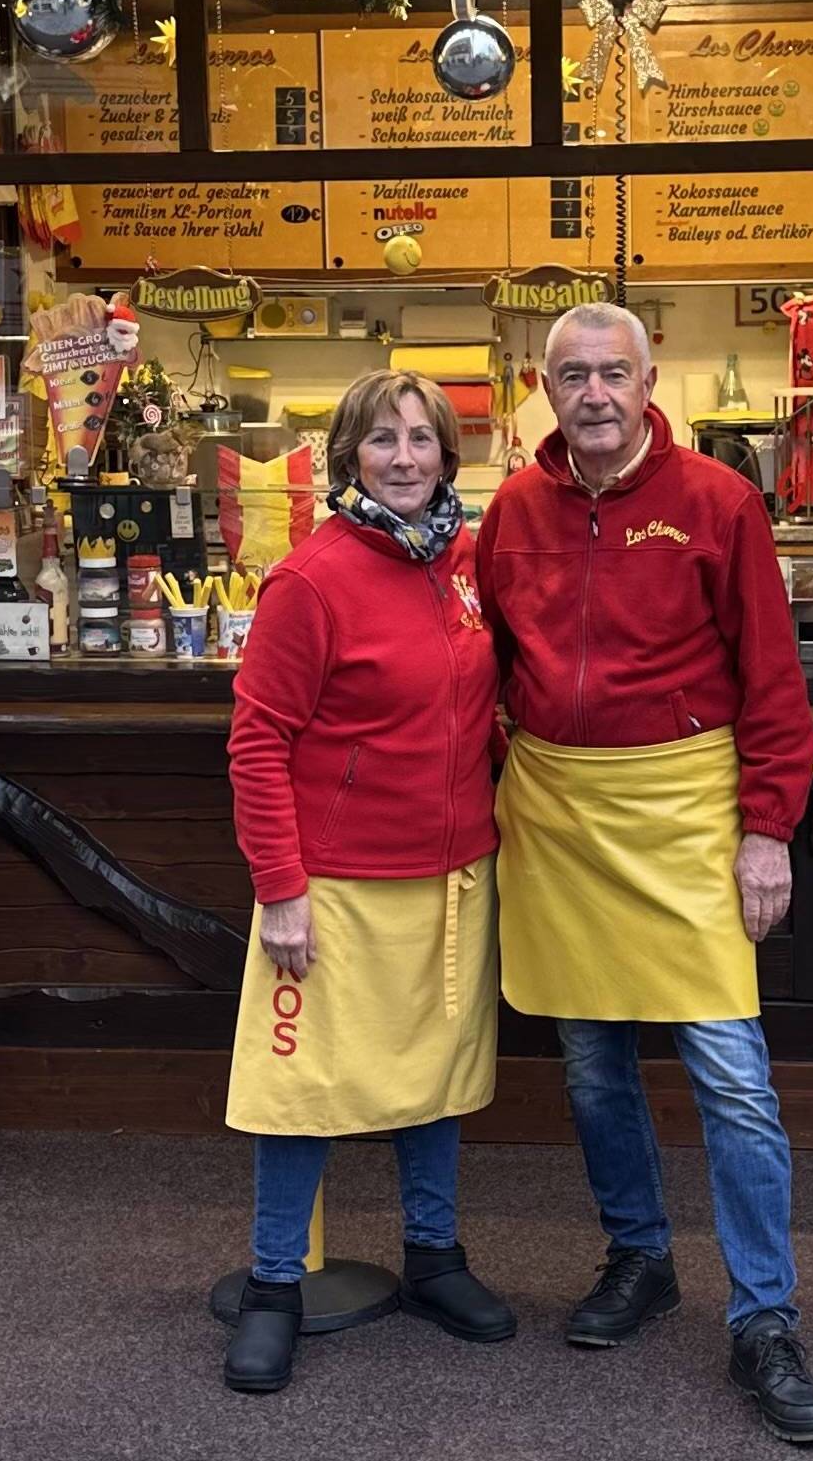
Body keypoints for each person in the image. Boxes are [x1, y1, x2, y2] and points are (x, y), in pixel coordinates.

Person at [474, 302, 813, 1447]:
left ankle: (765, 1318)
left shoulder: (718, 504)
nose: (593, 394)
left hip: (686, 816)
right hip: (559, 817)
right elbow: (481, 663)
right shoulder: (512, 512)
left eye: (612, 375)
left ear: (648, 382)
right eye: (572, 376)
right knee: (590, 1069)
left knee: (732, 1077)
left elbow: (774, 682)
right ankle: (639, 1259)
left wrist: (767, 827)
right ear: (546, 387)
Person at [220, 369, 512, 1394]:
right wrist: (281, 887)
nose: (403, 457)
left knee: (433, 1080)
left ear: (446, 454)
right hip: (334, 884)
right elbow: (256, 743)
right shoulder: (310, 580)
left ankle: (433, 1258)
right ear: (347, 455)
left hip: (452, 877)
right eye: (382, 439)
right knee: (298, 1090)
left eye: (421, 439)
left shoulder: (467, 565)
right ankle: (270, 1287)